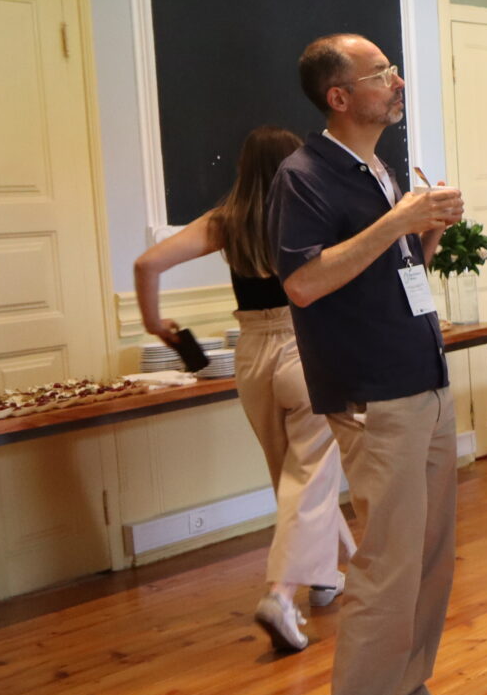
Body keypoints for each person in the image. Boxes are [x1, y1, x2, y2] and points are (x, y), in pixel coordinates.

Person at [273, 34, 474, 695]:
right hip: (372, 389)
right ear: (339, 96)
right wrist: (398, 221)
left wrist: (424, 232)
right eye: (381, 73)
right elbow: (303, 282)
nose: (396, 82)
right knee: (388, 558)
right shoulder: (303, 176)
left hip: (420, 375)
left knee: (430, 552)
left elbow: (388, 270)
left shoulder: (379, 168)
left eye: (392, 70)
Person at [135, 125, 355, 653]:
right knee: (310, 475)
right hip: (305, 345)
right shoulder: (310, 210)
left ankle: (326, 578)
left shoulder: (226, 221)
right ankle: (280, 595)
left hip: (251, 353)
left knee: (291, 476)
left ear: (243, 169)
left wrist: (155, 323)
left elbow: (147, 263)